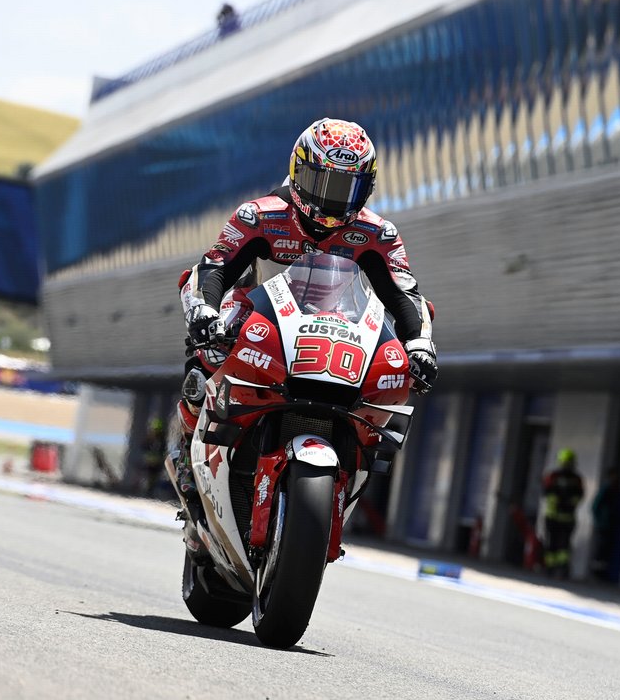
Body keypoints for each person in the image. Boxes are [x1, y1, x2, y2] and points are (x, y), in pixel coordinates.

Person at [173, 118, 438, 518]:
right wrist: (204, 311)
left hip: (338, 331)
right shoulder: (258, 215)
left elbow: (404, 292)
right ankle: (189, 456)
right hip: (258, 320)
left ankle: (350, 471)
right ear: (299, 171)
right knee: (205, 356)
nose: (333, 200)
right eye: (324, 183)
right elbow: (215, 267)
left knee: (392, 379)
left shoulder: (378, 233)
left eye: (347, 187)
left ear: (365, 188)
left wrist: (418, 341)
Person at [541, 449, 585, 578]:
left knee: (564, 545)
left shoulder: (576, 478)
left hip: (568, 517)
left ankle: (562, 568)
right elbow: (546, 491)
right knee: (551, 543)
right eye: (565, 462)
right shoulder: (553, 476)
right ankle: (549, 567)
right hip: (552, 516)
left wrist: (569, 502)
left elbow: (580, 495)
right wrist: (556, 501)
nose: (567, 465)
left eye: (569, 462)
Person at [589, 468, 620, 581]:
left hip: (611, 524)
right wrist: (599, 520)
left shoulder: (616, 490)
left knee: (607, 549)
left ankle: (603, 573)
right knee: (600, 549)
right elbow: (595, 506)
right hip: (603, 524)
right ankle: (596, 573)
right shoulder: (606, 489)